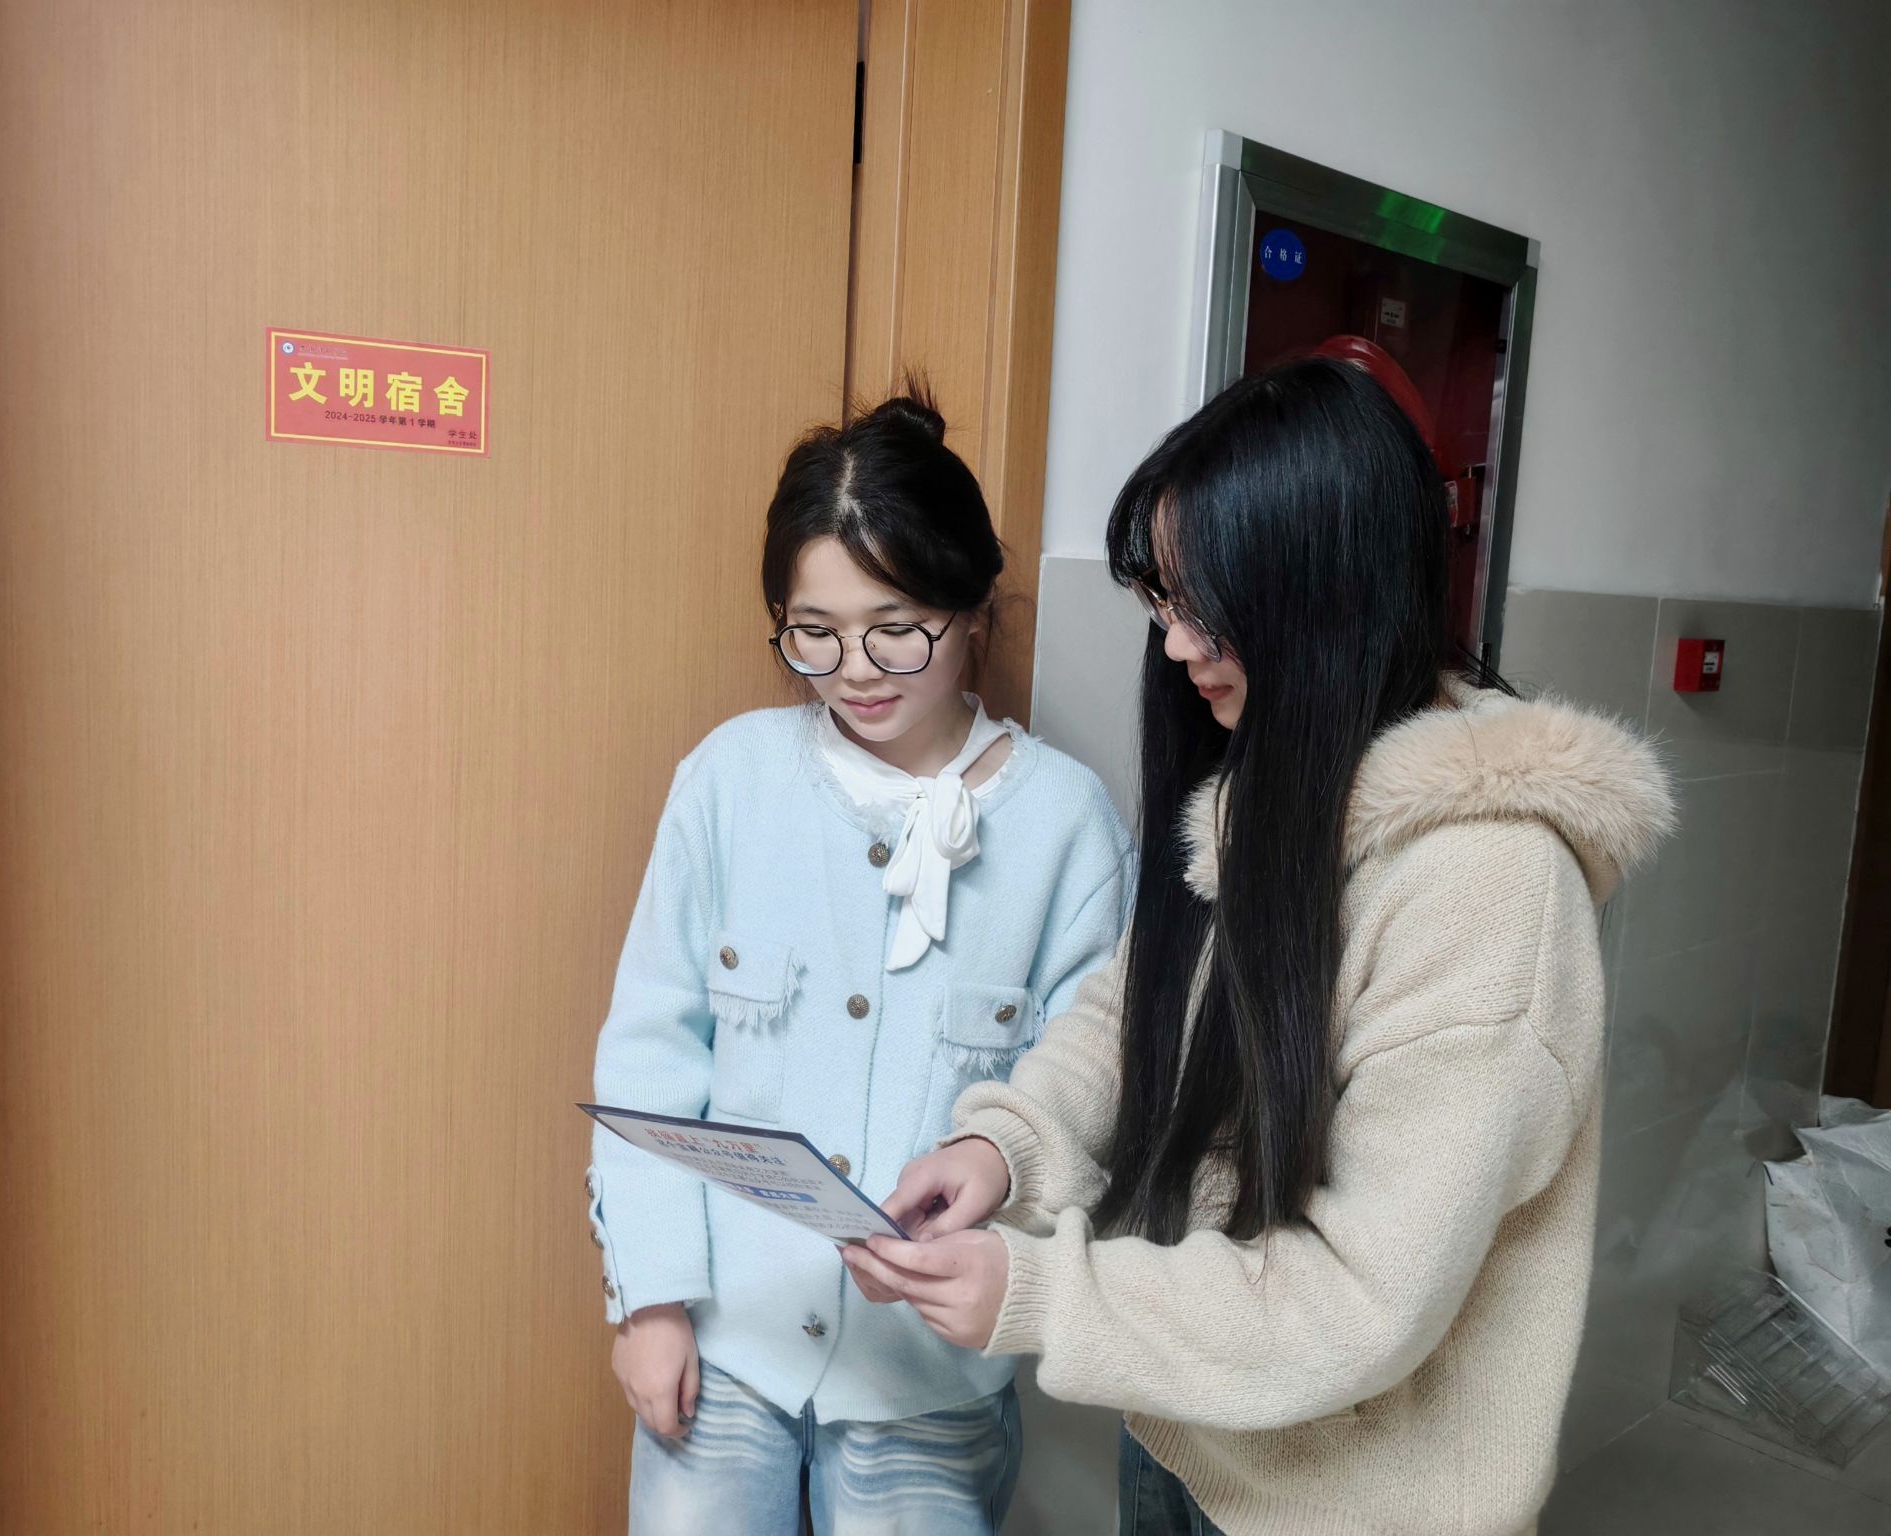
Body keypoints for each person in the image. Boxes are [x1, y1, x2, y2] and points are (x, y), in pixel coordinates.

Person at [842, 357, 1675, 1536]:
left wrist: (1038, 1293)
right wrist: (1005, 1148)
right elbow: (1136, 1008)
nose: (1177, 647)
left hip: (1353, 1503)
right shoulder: (1268, 776)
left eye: (1209, 606)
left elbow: (1359, 1299)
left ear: (1325, 595)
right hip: (1192, 1427)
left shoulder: (1487, 889)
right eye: (1162, 601)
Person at [587, 386, 1132, 1535]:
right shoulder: (729, 781)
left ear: (969, 606)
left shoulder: (1066, 826)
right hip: (723, 1348)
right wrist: (650, 1300)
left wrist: (1004, 1202)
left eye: (895, 626)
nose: (855, 669)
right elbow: (648, 1058)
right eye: (814, 632)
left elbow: (1094, 1094)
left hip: (927, 1384)